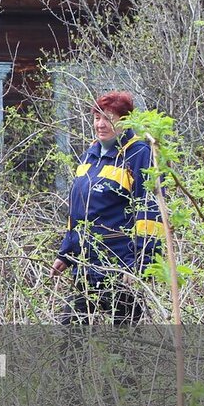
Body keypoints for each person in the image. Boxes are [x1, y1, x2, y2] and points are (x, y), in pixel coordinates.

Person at [51, 91, 162, 324]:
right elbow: (79, 212)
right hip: (86, 265)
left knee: (125, 342)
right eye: (97, 118)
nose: (101, 124)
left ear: (125, 120)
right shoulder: (90, 155)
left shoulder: (139, 154)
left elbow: (150, 211)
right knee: (70, 333)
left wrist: (140, 264)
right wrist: (67, 253)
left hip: (119, 268)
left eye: (109, 118)